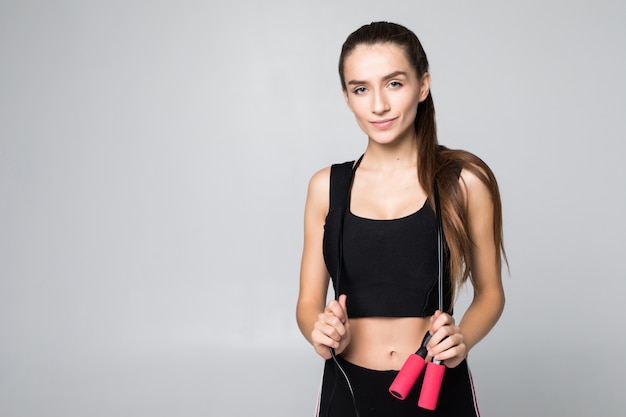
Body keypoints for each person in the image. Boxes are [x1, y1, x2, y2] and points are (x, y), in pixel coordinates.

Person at [296, 21, 506, 417]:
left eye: (394, 83)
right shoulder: (326, 186)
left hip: (435, 381)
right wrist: (318, 330)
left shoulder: (463, 183)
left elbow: (491, 294)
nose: (378, 105)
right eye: (361, 89)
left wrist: (462, 339)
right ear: (347, 98)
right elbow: (308, 302)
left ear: (422, 85)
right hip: (347, 387)